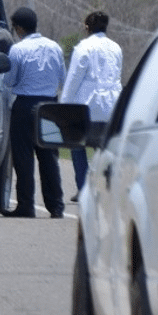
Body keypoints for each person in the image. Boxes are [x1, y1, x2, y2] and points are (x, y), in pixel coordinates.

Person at [2, 7, 66, 218]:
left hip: (24, 105)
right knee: (49, 157)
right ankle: (56, 206)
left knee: (23, 158)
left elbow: (9, 81)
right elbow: (62, 77)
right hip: (50, 107)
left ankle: (26, 205)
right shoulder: (54, 47)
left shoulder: (18, 50)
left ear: (19, 28)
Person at [59, 11, 122, 200]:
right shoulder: (116, 48)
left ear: (87, 27)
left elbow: (73, 80)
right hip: (111, 107)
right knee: (105, 150)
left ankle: (84, 188)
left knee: (77, 147)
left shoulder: (83, 48)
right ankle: (107, 188)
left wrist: (64, 107)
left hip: (87, 108)